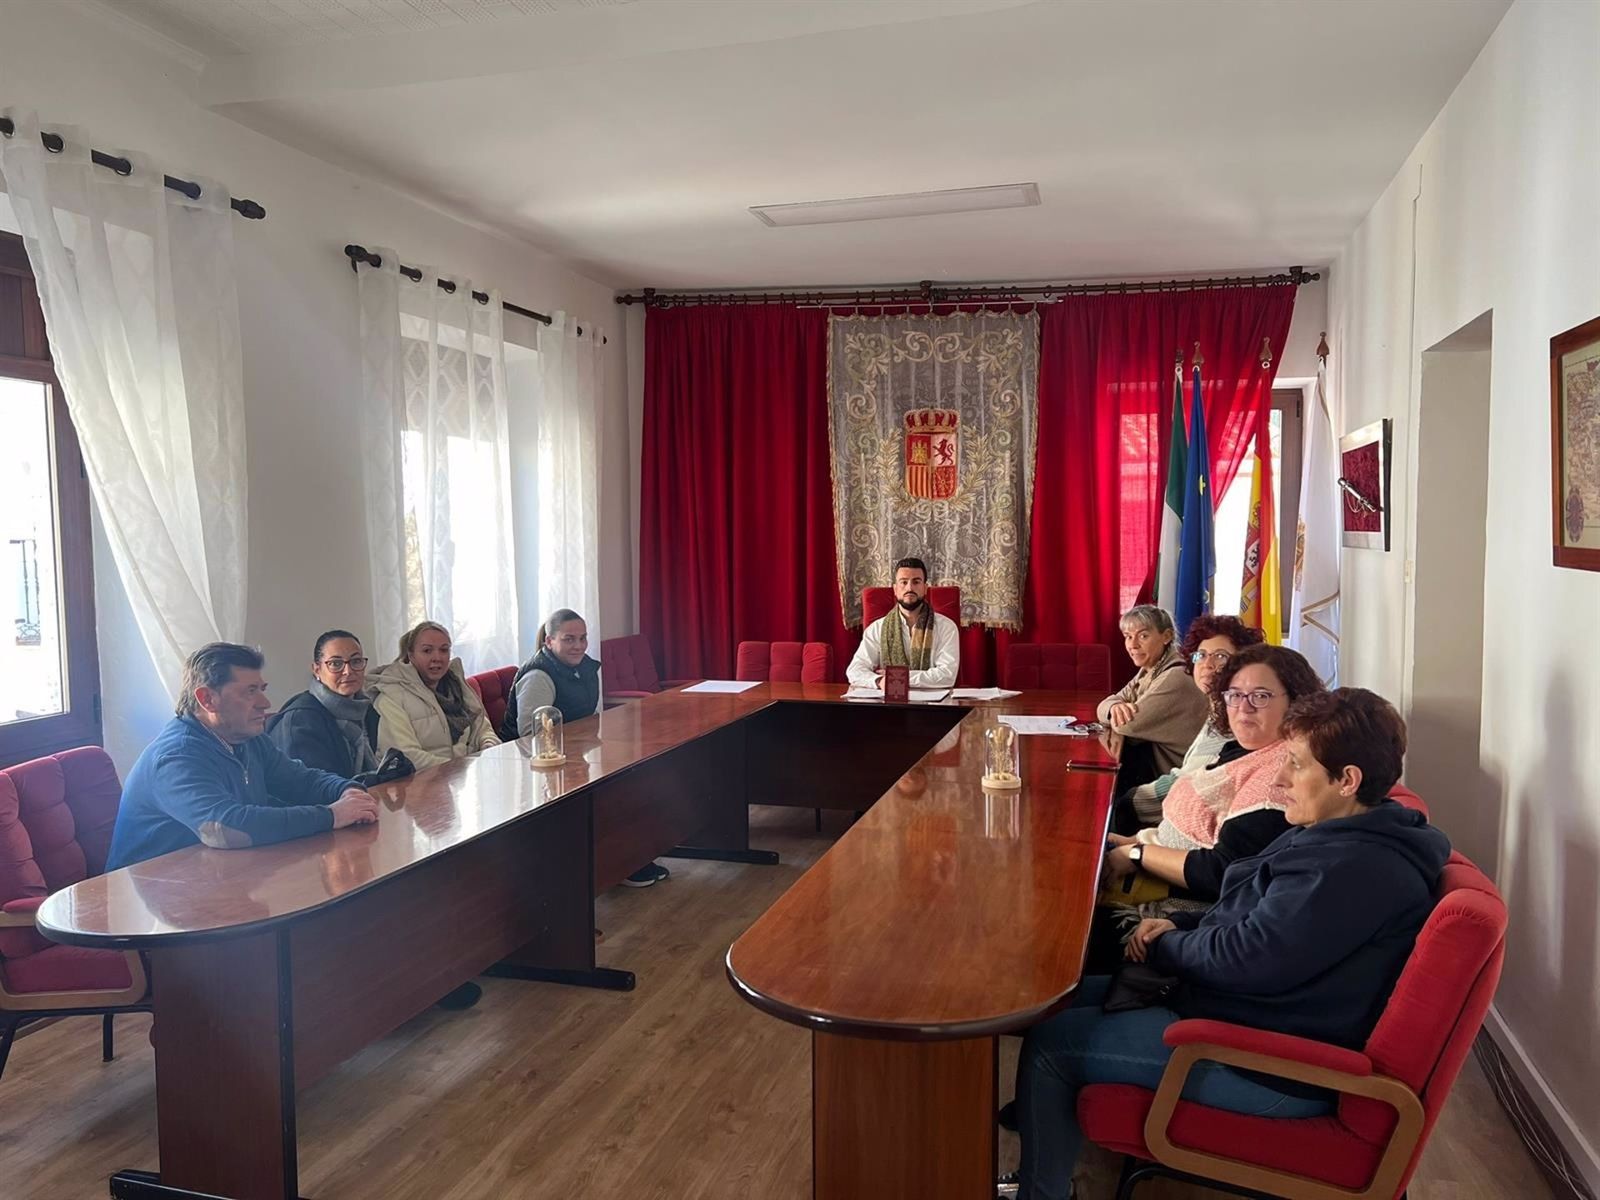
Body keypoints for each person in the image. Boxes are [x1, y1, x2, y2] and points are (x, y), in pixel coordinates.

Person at [1004, 688, 1449, 1200]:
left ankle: (1042, 1193)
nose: (1280, 780)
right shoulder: (1341, 831)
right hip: (1244, 1014)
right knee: (1056, 1002)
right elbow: (1252, 920)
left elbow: (1249, 959)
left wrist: (1167, 945)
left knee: (1052, 1045)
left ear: (1347, 781)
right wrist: (1180, 929)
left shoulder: (1352, 869)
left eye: (1297, 767)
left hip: (1270, 1063)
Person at [106, 642, 380, 872]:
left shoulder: (247, 738)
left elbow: (301, 780)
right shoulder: (175, 757)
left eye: (262, 689)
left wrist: (349, 791)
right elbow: (228, 828)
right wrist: (331, 815)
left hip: (217, 880)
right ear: (207, 699)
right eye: (250, 691)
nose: (265, 703)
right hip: (151, 911)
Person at [1101, 644, 1325, 915]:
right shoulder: (1242, 748)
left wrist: (1136, 854)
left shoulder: (1277, 779)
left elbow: (1223, 873)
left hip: (1173, 913)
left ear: (1296, 702)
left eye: (1261, 696)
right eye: (1234, 695)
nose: (1244, 707)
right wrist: (1129, 842)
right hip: (1146, 864)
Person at [504, 608, 669, 888]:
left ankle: (628, 858)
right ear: (549, 642)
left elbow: (589, 718)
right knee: (612, 791)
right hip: (538, 765)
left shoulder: (584, 667)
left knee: (636, 776)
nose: (578, 645)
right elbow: (531, 735)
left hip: (576, 753)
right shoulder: (538, 676)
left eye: (582, 638)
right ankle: (619, 864)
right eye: (569, 639)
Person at [1114, 615, 1265, 834]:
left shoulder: (1235, 720)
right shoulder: (1218, 709)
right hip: (1175, 811)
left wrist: (1127, 800)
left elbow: (1189, 786)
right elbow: (1112, 701)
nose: (1207, 664)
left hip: (1184, 826)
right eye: (1201, 655)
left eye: (1220, 656)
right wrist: (1112, 707)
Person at [1096, 606, 1209, 793]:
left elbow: (1129, 725)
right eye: (1127, 636)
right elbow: (1106, 703)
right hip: (1158, 771)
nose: (1133, 645)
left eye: (1143, 636)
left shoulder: (1176, 675)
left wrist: (1114, 710)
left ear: (1166, 636)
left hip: (1182, 782)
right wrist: (1114, 707)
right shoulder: (1150, 668)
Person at [368, 621, 500, 770]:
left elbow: (482, 726)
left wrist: (490, 746)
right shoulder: (390, 697)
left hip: (463, 777)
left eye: (444, 650)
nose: (437, 657)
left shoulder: (455, 684)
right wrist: (459, 770)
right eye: (427, 651)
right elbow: (406, 756)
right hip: (420, 785)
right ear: (411, 655)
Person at [267, 630, 380, 778]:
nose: (348, 671)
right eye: (335, 663)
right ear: (317, 670)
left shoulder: (366, 710)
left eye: (356, 661)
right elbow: (309, 788)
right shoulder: (300, 721)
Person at [845, 557, 959, 691]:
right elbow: (855, 671)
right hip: (889, 707)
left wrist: (898, 678)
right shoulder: (877, 628)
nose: (909, 588)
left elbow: (947, 676)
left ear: (925, 588)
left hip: (933, 706)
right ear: (895, 588)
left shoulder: (946, 627)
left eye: (916, 582)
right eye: (903, 582)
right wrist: (879, 681)